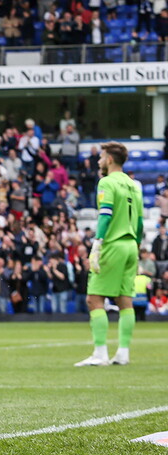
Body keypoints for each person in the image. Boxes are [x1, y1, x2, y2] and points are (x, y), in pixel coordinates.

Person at [74, 142, 143, 367]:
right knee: (125, 301)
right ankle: (123, 353)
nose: (98, 161)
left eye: (101, 157)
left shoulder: (107, 182)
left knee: (94, 299)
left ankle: (100, 353)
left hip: (113, 244)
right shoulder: (135, 185)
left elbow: (105, 215)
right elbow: (140, 222)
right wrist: (137, 247)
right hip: (131, 245)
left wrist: (97, 244)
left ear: (110, 160)